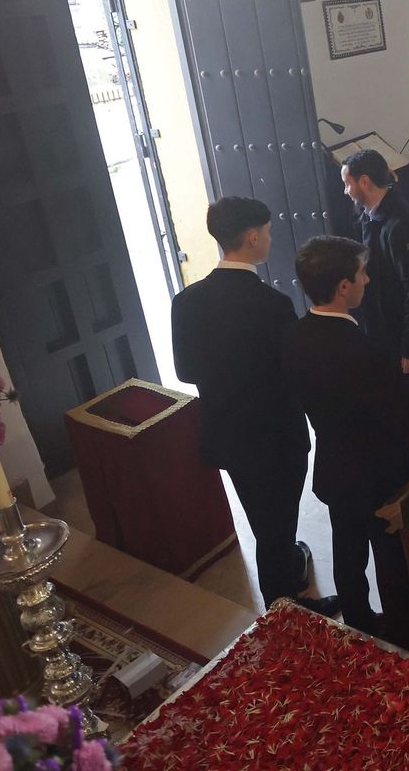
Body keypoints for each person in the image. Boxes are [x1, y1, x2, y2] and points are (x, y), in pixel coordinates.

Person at [170, 198, 332, 614]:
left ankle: (289, 568)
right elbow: (292, 372)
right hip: (276, 432)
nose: (271, 239)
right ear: (253, 237)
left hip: (229, 433)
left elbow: (186, 370)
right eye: (269, 232)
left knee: (265, 520)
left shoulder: (185, 302)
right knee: (277, 527)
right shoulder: (272, 305)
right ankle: (286, 610)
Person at [281, 236, 409, 646]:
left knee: (348, 550)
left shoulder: (292, 337)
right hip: (380, 473)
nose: (368, 280)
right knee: (392, 561)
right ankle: (402, 632)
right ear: (343, 287)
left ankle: (358, 620)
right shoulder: (367, 350)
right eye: (361, 273)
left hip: (335, 467)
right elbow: (398, 416)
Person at [342, 149, 409, 443]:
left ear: (364, 182)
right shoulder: (375, 217)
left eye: (348, 183)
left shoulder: (401, 224)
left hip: (402, 338)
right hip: (386, 333)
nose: (346, 191)